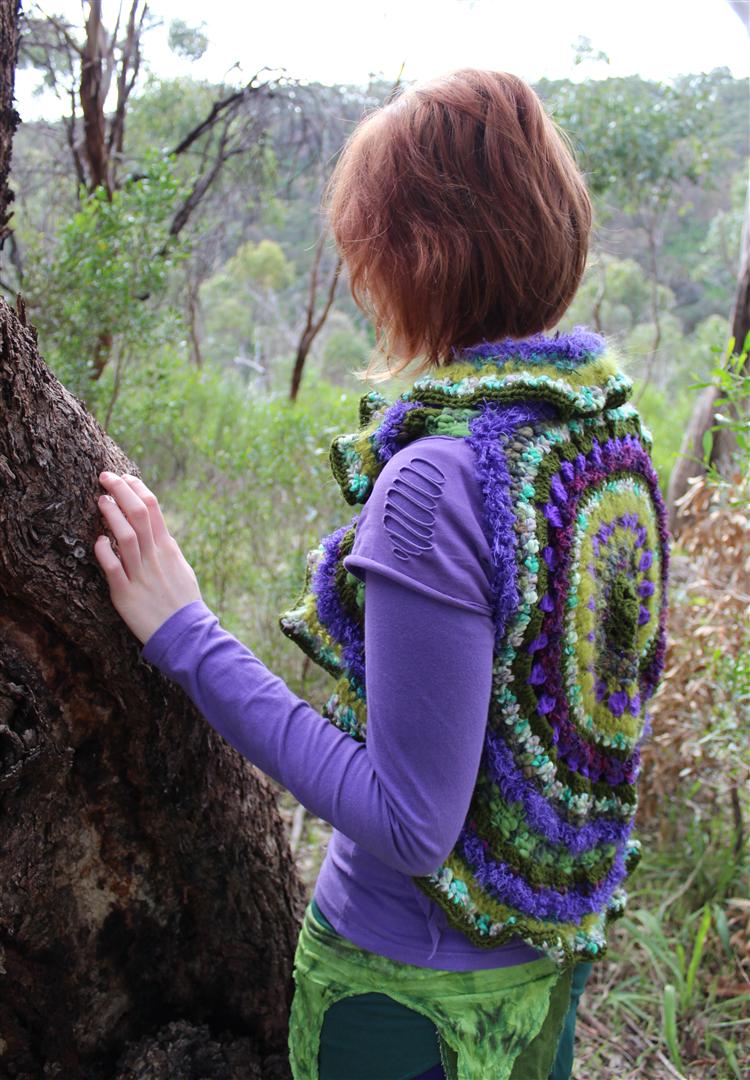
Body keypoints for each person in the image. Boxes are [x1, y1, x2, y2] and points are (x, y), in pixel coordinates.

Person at [94, 70, 669, 1080]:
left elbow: (410, 824)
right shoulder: (602, 450)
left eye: (368, 250)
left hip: (406, 1007)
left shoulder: (435, 481)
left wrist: (184, 631)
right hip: (542, 975)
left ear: (418, 257)